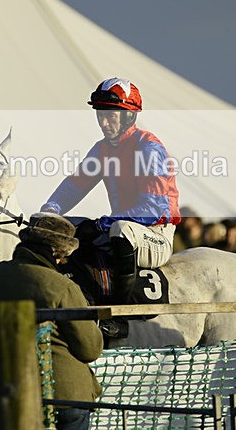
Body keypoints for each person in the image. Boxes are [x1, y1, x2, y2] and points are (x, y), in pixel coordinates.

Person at [41, 77, 181, 307]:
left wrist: (99, 225)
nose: (104, 123)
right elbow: (74, 186)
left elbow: (152, 210)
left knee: (120, 229)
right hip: (120, 229)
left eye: (110, 116)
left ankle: (121, 312)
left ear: (129, 116)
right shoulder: (102, 148)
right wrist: (50, 211)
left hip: (155, 235)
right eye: (100, 115)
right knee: (61, 227)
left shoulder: (149, 148)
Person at [0, 213, 103, 430]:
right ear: (56, 251)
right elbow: (90, 349)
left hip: (5, 391)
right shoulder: (61, 286)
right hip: (64, 395)